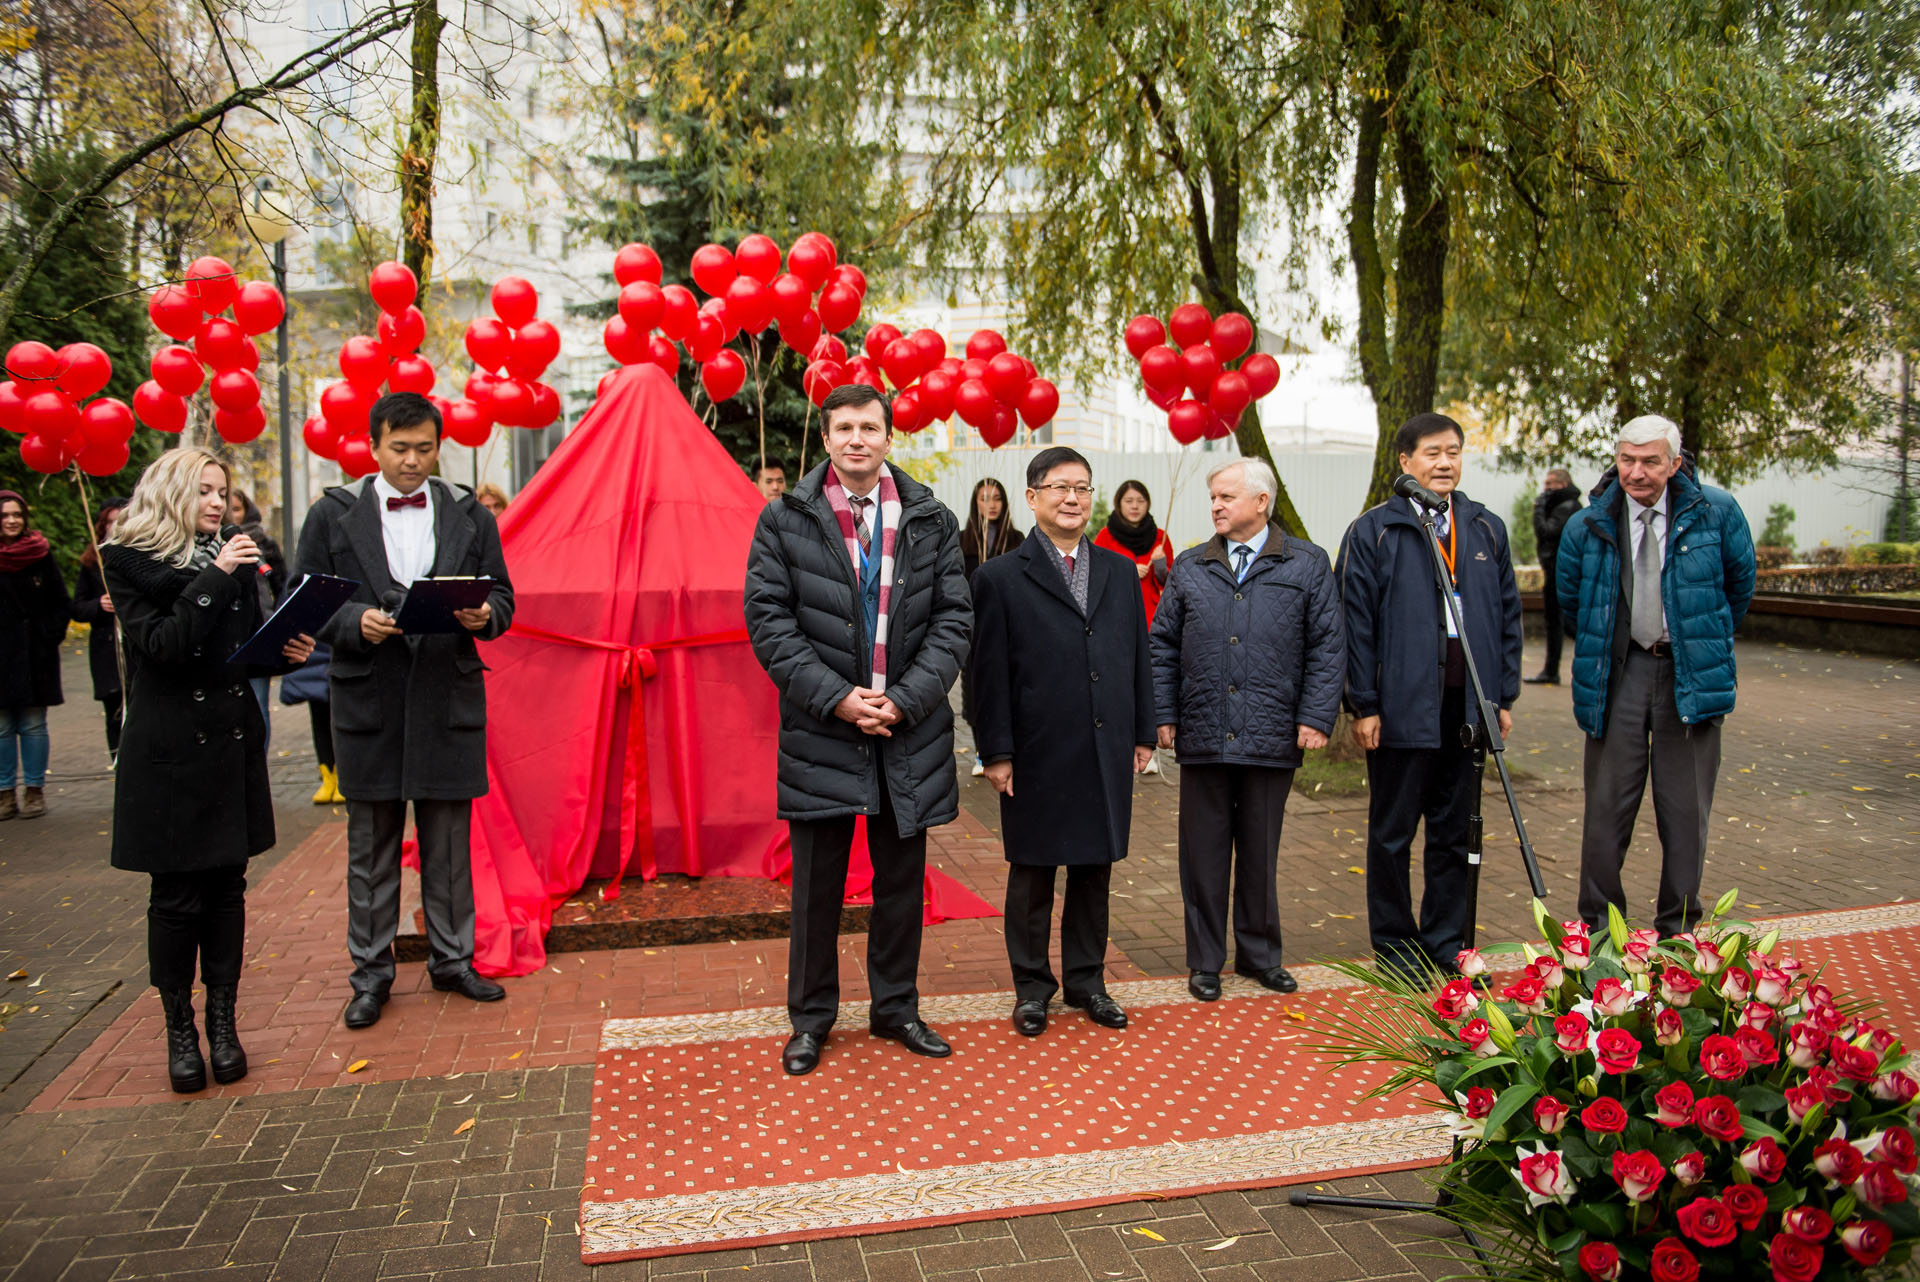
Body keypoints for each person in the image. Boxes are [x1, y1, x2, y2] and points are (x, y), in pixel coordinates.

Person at [744, 383, 971, 1076]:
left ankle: (896, 1008)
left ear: (888, 436)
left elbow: (953, 621)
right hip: (823, 732)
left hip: (908, 731)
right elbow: (768, 620)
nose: (856, 440)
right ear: (826, 438)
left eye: (869, 427)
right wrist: (837, 699)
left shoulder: (930, 517)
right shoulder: (784, 518)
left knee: (901, 885)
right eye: (843, 428)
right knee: (817, 889)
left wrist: (904, 700)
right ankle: (810, 1020)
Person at [295, 391, 516, 1029]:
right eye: (399, 448)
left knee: (448, 846)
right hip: (368, 701)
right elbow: (304, 601)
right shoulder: (332, 514)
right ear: (373, 447)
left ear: (438, 447)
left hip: (447, 697)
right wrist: (352, 622)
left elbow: (504, 597)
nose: (412, 461)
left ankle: (454, 961)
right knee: (371, 848)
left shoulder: (470, 513)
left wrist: (485, 614)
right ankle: (370, 976)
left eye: (424, 448)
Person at [101, 448, 314, 1092]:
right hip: (168, 755)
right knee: (175, 898)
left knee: (227, 891)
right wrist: (218, 575)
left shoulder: (232, 558)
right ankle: (179, 1030)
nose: (218, 502)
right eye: (204, 491)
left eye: (222, 491)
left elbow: (235, 652)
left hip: (228, 743)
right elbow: (165, 647)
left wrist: (282, 651)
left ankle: (224, 1024)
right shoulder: (126, 561)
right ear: (170, 493)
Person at [971, 447, 1154, 1036]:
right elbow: (986, 675)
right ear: (1032, 497)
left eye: (1082, 488)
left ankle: (1087, 981)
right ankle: (1031, 989)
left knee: (1094, 870)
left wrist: (1143, 732)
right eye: (1059, 487)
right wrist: (996, 751)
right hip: (1036, 750)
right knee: (1033, 873)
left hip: (1105, 744)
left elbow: (1137, 658)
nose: (1073, 498)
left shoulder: (1119, 572)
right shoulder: (999, 577)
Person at [1336, 413, 1521, 981]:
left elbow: (1508, 620)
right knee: (1393, 834)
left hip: (1466, 708)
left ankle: (1446, 941)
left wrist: (1502, 697)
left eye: (1454, 452)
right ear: (1405, 462)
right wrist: (1363, 704)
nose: (1445, 463)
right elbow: (1354, 626)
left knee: (1454, 830)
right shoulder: (1375, 531)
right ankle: (1396, 948)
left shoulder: (1485, 528)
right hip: (1400, 708)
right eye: (1433, 453)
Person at [1152, 458, 1345, 1000]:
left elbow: (1328, 646)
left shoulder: (1308, 563)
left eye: (1226, 496)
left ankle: (1260, 957)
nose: (1215, 505)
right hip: (1202, 730)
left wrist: (1315, 716)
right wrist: (1163, 713)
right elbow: (1161, 644)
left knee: (1260, 852)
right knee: (1203, 855)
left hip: (1272, 731)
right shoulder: (1191, 565)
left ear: (1261, 502)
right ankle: (1204, 962)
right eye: (1213, 497)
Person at [1557, 414, 1755, 938]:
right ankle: (1600, 934)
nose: (1637, 472)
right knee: (1606, 813)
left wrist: (1694, 639)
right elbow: (1572, 603)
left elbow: (1739, 589)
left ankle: (1679, 935)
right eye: (1627, 460)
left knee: (1686, 815)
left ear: (1675, 463)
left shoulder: (1717, 512)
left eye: (1650, 461)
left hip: (1689, 676)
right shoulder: (1587, 523)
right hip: (1616, 676)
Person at [1095, 479, 1177, 774]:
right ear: (1119, 503)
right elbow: (1096, 577)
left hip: (1152, 620)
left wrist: (1160, 564)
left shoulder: (1160, 537)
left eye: (1140, 501)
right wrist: (1127, 570)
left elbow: (1170, 582)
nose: (1134, 506)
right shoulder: (1105, 536)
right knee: (1121, 684)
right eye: (1129, 501)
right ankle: (1120, 744)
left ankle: (1147, 745)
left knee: (1149, 684)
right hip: (1117, 619)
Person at [0, 490, 69, 820]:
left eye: (17, 514)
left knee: (32, 724)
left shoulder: (39, 552)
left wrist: (48, 636)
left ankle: (34, 790)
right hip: (1, 655)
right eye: (4, 515)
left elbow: (60, 601)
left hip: (34, 654)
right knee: (1, 727)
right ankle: (4, 793)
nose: (12, 520)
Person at [958, 478, 1021, 777]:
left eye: (997, 498)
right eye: (985, 498)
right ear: (975, 503)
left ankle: (1010, 748)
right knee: (975, 689)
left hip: (1010, 628)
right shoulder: (962, 541)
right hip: (974, 628)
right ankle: (982, 751)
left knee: (1010, 688)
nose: (991, 504)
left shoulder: (1016, 540)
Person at [226, 489, 288, 744]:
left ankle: (259, 758)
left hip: (259, 629)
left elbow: (281, 582)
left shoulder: (262, 543)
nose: (231, 514)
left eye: (236, 509)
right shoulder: (212, 544)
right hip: (228, 635)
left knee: (259, 704)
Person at [1526, 469, 1583, 685]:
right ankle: (1550, 670)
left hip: (1560, 572)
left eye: (1551, 483)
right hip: (1556, 570)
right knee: (1557, 622)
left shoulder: (1566, 507)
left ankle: (1552, 671)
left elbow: (1546, 531)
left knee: (1563, 623)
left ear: (1563, 484)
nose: (1546, 488)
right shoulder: (1566, 505)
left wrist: (1539, 510)